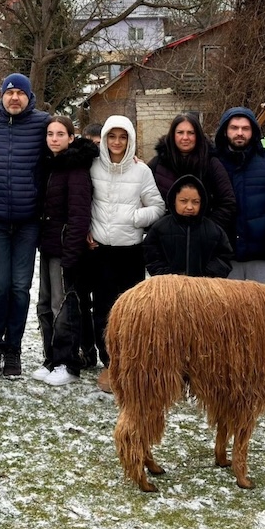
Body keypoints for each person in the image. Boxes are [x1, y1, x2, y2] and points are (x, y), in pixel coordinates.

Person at [0, 73, 51, 379]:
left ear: (30, 97)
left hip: (29, 221)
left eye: (20, 93)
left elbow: (65, 145)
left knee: (20, 287)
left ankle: (13, 349)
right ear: (1, 96)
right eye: (9, 92)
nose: (14, 97)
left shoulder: (43, 123)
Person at [87, 115, 165, 393]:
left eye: (122, 137)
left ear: (130, 139)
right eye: (112, 136)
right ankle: (109, 363)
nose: (117, 142)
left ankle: (130, 363)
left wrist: (133, 217)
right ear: (105, 138)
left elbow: (157, 206)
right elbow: (83, 199)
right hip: (100, 251)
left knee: (131, 312)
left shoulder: (140, 171)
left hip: (131, 251)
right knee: (104, 310)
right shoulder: (93, 165)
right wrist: (87, 227)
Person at [32, 116, 96, 386]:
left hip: (65, 249)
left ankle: (68, 363)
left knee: (63, 305)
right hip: (48, 246)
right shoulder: (50, 165)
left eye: (60, 134)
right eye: (50, 134)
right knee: (45, 304)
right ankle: (51, 358)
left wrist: (72, 252)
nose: (54, 138)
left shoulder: (76, 168)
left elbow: (79, 214)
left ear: (71, 137)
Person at [214, 107, 265, 283]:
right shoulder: (212, 161)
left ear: (253, 131)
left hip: (263, 253)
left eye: (245, 128)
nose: (239, 133)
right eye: (234, 128)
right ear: (225, 131)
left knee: (264, 309)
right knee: (228, 309)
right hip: (225, 256)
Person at [145, 114, 236, 235]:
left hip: (202, 241)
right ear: (172, 135)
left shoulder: (211, 163)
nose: (185, 137)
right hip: (166, 239)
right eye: (180, 132)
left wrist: (207, 230)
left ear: (198, 135)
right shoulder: (157, 164)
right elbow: (143, 200)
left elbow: (227, 202)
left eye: (191, 133)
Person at [143, 174, 233, 279]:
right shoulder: (159, 228)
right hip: (169, 288)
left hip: (204, 289)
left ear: (202, 203)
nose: (189, 207)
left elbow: (224, 257)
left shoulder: (214, 231)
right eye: (183, 201)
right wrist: (169, 276)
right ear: (174, 201)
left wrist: (207, 275)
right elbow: (151, 257)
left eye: (195, 202)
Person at [79, 122, 103, 368]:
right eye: (90, 143)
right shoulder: (77, 164)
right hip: (81, 240)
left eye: (99, 144)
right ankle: (86, 348)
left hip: (104, 241)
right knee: (82, 300)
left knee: (102, 301)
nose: (94, 149)